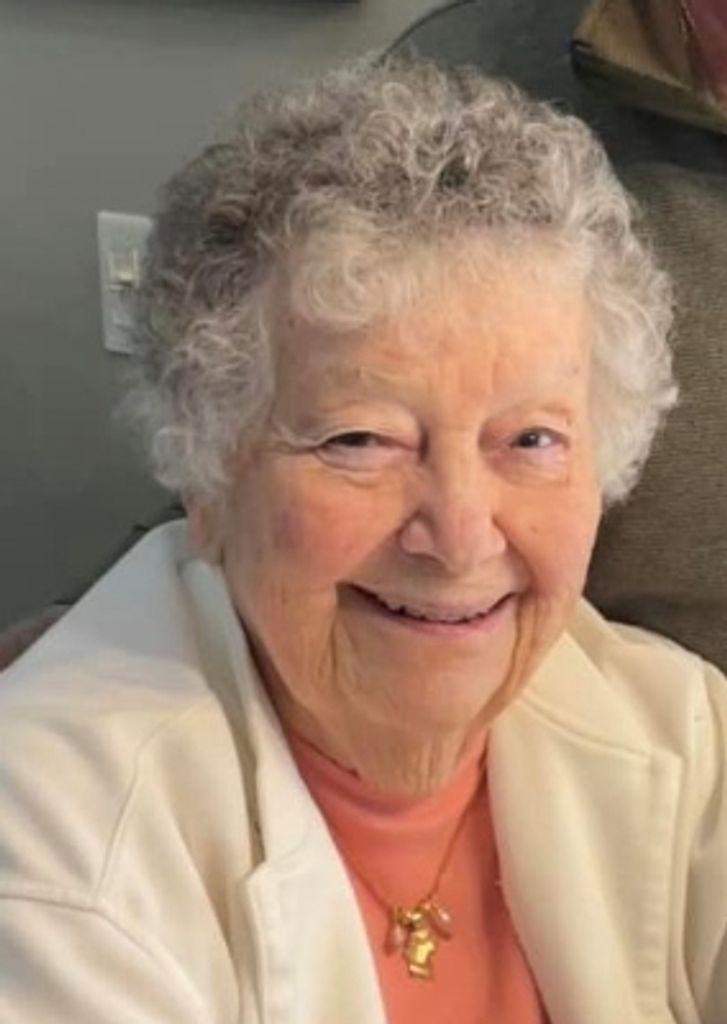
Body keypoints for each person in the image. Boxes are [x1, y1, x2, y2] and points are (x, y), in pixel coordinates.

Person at [1, 56, 725, 1024]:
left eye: (530, 440)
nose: (459, 536)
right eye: (360, 440)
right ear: (208, 474)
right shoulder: (47, 847)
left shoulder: (682, 729)